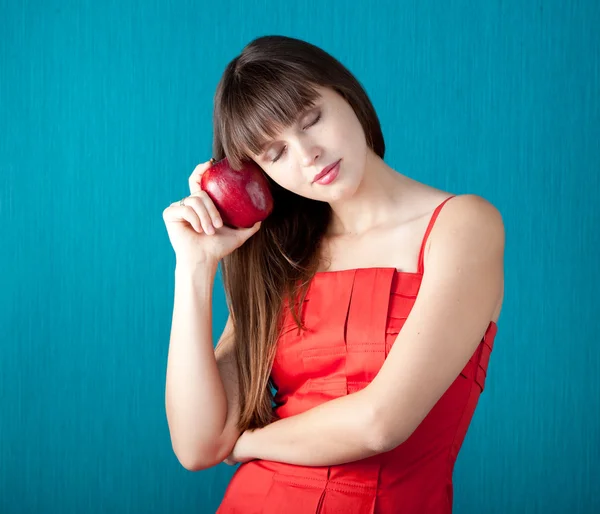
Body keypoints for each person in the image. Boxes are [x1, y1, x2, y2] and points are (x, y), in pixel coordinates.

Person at [162, 35, 505, 513]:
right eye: (275, 154)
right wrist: (194, 266)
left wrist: (247, 444)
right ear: (259, 175)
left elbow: (380, 423)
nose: (307, 155)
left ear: (347, 94)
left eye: (311, 119)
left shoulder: (462, 225)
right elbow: (197, 446)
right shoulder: (282, 258)